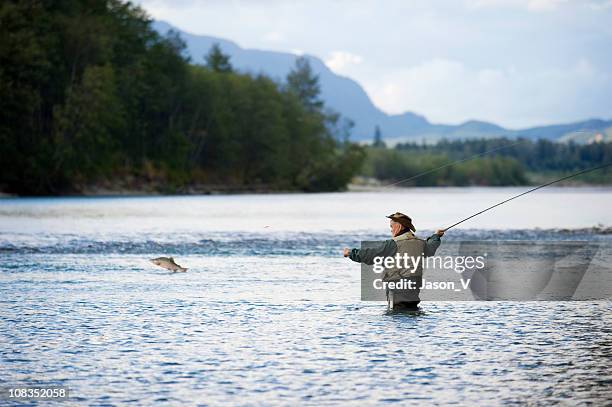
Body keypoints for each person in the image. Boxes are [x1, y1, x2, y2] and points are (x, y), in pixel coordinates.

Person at [343, 212, 444, 311]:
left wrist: (350, 253)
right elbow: (431, 247)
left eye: (392, 227)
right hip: (414, 285)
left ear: (399, 226)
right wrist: (436, 236)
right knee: (411, 311)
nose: (391, 230)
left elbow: (370, 255)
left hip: (396, 287)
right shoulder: (420, 243)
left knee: (396, 315)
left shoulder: (393, 244)